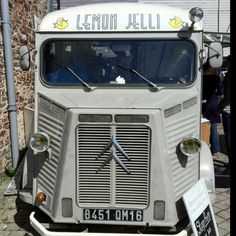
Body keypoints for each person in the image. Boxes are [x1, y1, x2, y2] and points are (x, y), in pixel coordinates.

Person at [202, 62, 223, 156]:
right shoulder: (216, 78)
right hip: (213, 103)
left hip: (202, 104)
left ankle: (204, 145)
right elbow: (220, 93)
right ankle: (215, 149)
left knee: (203, 125)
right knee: (213, 126)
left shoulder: (201, 78)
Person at [218, 55, 231, 160]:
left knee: (229, 135)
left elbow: (227, 96)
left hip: (228, 110)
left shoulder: (228, 76)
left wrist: (219, 108)